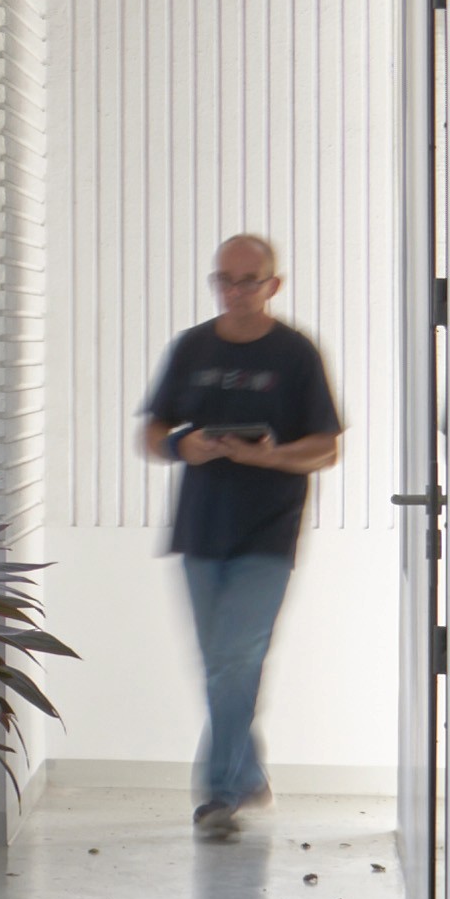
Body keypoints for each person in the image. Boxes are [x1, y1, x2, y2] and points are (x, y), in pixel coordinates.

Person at [137, 231, 343, 843]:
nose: (234, 291)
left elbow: (326, 447)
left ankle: (219, 793)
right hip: (201, 530)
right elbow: (152, 431)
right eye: (224, 279)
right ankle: (248, 772)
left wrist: (271, 458)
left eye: (247, 280)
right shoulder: (191, 348)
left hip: (268, 532)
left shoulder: (297, 354)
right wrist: (183, 445)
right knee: (219, 665)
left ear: (272, 285)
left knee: (237, 659)